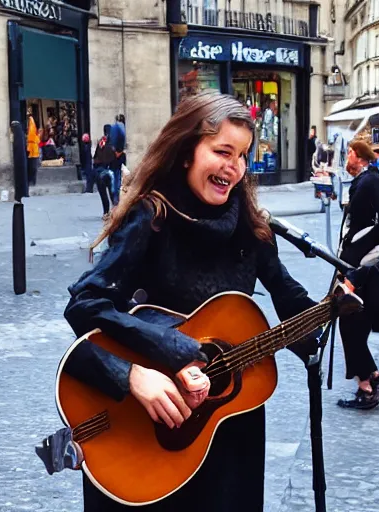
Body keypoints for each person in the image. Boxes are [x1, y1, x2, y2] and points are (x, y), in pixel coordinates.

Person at [62, 92, 320, 511]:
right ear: (186, 153)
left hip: (228, 426)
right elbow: (84, 305)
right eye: (222, 151)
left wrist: (339, 310)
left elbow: (291, 300)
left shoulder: (252, 229)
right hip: (151, 420)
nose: (233, 167)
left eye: (241, 156)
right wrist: (140, 371)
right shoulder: (153, 217)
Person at [336, 141, 379, 410]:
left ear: (358, 156)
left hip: (361, 268)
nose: (347, 157)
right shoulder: (366, 181)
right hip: (357, 264)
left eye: (348, 153)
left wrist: (355, 265)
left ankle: (369, 386)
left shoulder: (370, 182)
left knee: (351, 323)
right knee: (351, 323)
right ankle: (371, 381)